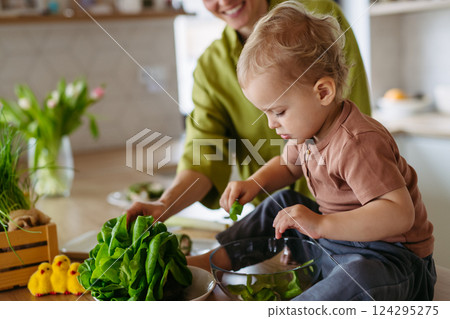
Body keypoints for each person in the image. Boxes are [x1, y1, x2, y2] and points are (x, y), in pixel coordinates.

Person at [193, 1, 435, 301]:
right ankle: (211, 262)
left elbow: (399, 215)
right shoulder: (307, 132)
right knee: (279, 201)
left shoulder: (358, 141)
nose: (271, 124)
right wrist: (253, 183)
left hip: (392, 261)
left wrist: (320, 224)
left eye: (278, 111)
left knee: (361, 276)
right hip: (336, 245)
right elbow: (287, 165)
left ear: (323, 92)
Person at [126, 0, 371, 225]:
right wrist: (164, 205)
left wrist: (323, 224)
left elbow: (350, 129)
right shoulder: (210, 67)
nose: (224, 2)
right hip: (275, 222)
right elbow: (204, 155)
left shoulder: (318, 17)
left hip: (344, 218)